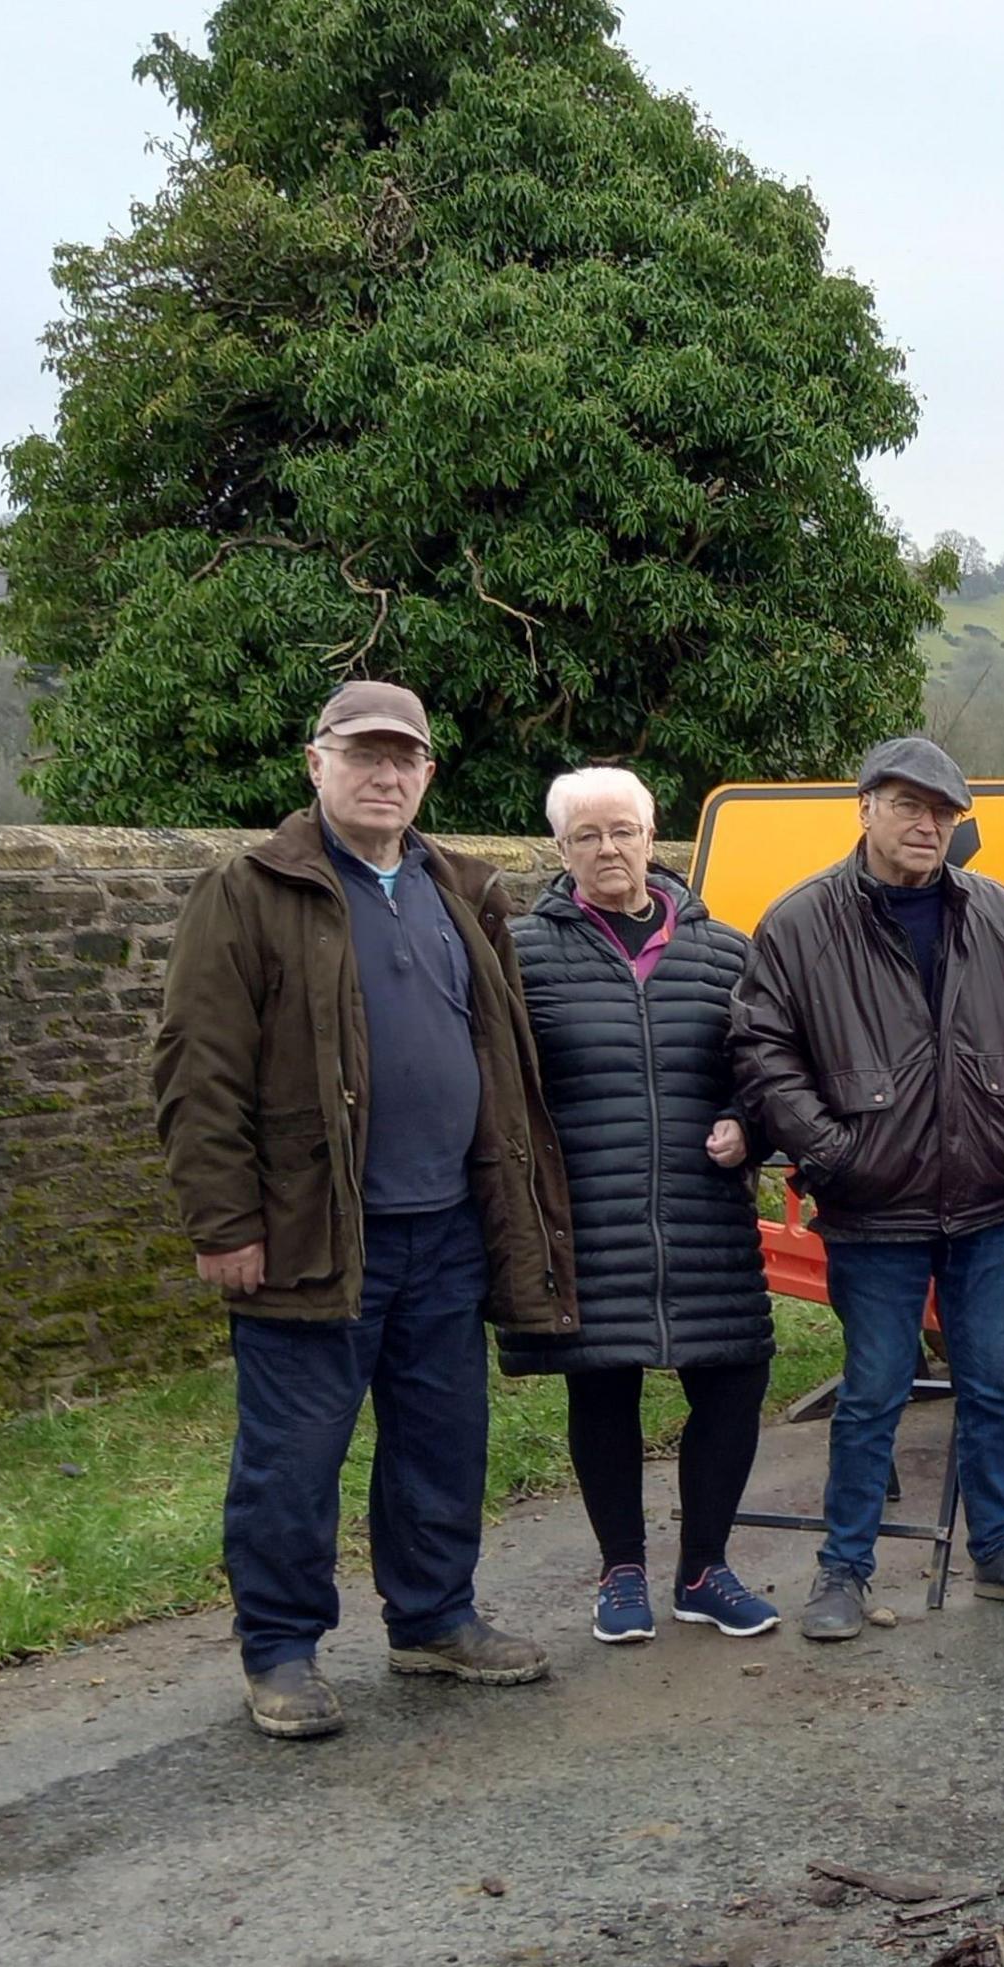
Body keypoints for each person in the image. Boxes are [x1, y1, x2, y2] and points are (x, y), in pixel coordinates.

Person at [149, 680, 575, 1740]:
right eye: (363, 755)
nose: (385, 775)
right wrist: (222, 1224)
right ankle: (282, 1652)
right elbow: (197, 1072)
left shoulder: (459, 890)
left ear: (428, 774)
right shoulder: (248, 891)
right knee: (292, 1459)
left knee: (442, 1441)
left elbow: (500, 1058)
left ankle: (432, 1620)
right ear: (315, 764)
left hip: (447, 1229)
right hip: (312, 1233)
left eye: (404, 759)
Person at [728, 737, 1004, 1643]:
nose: (927, 826)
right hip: (872, 1207)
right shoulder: (801, 922)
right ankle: (842, 1572)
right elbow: (765, 1052)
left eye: (943, 813)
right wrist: (834, 1151)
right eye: (908, 806)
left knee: (996, 1386)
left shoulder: (998, 913)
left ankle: (1003, 1553)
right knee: (876, 1389)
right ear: (866, 809)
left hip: (986, 1197)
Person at [498, 765, 781, 1646]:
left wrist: (746, 1123)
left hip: (703, 1212)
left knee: (736, 1376)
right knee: (602, 1386)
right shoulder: (520, 952)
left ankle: (704, 1570)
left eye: (623, 830)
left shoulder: (725, 951)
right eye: (587, 836)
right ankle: (621, 1570)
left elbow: (765, 1075)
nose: (608, 849)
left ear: (654, 839)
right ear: (561, 849)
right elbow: (504, 1086)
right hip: (586, 1214)